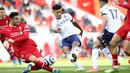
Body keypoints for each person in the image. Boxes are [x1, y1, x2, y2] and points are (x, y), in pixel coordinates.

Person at [86, 0, 125, 72]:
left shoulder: (103, 9)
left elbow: (105, 21)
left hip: (110, 31)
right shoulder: (115, 8)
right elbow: (124, 18)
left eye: (99, 3)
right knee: (101, 46)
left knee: (95, 45)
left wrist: (101, 33)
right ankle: (114, 63)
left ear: (101, 2)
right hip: (118, 32)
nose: (99, 4)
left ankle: (95, 68)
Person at [51, 4, 84, 71]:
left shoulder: (67, 16)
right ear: (53, 12)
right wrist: (56, 30)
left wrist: (81, 30)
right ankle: (80, 67)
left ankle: (75, 54)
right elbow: (54, 29)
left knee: (75, 44)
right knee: (66, 51)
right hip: (64, 38)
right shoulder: (54, 22)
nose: (59, 13)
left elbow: (75, 23)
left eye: (60, 11)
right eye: (57, 12)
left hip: (73, 35)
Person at [105, 0, 130, 72]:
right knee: (112, 43)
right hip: (126, 25)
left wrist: (119, 4)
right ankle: (115, 66)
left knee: (126, 50)